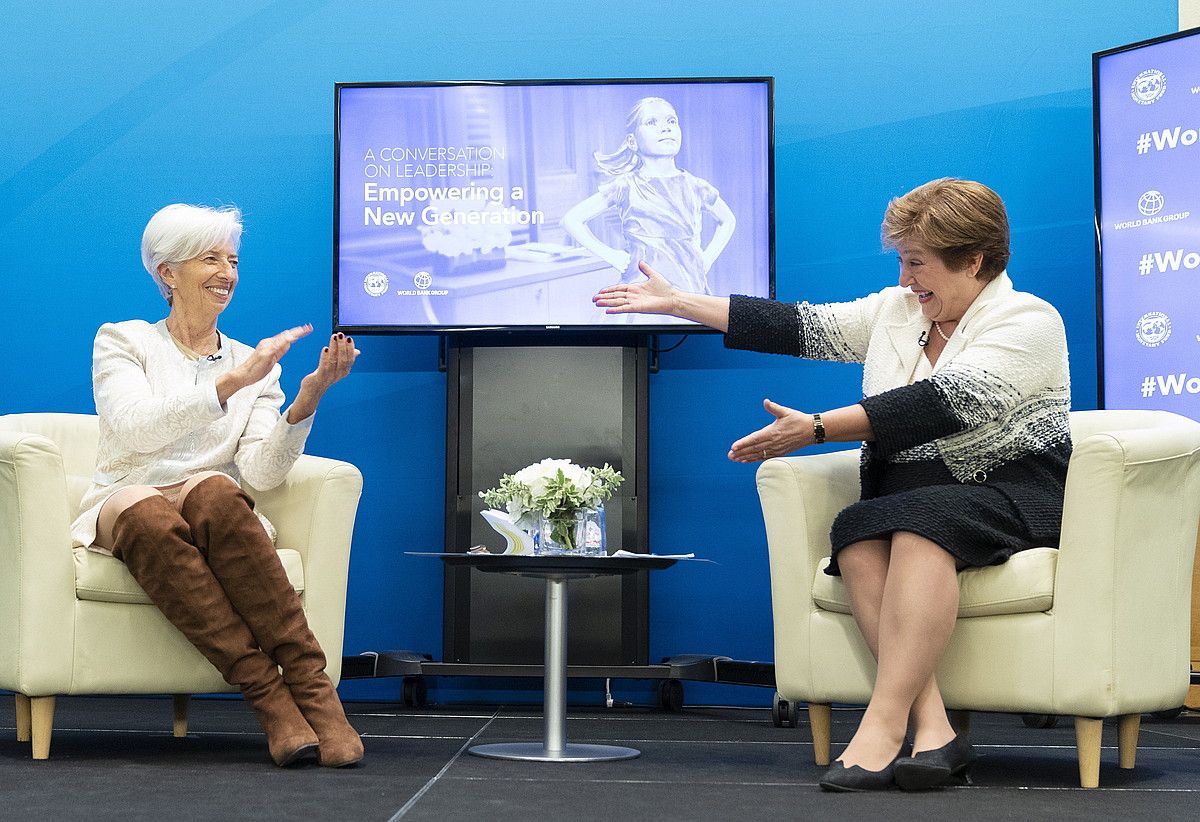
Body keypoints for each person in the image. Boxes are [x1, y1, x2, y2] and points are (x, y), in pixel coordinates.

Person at [594, 178, 1072, 791]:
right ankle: (935, 728)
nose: (905, 278)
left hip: (1006, 489)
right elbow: (797, 326)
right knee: (854, 529)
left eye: (917, 263)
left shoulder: (1028, 320)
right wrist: (680, 303)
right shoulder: (897, 312)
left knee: (923, 528)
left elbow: (941, 403)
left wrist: (817, 428)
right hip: (909, 491)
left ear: (973, 261)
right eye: (901, 260)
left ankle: (881, 722)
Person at [71, 203, 364, 768]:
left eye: (233, 260)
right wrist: (231, 383)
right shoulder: (124, 341)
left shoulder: (256, 365)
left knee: (215, 491)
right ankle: (267, 694)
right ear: (167, 273)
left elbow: (260, 472)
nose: (228, 273)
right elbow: (133, 430)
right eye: (211, 259)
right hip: (127, 496)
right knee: (151, 512)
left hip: (209, 503)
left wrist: (309, 396)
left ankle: (314, 692)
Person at [562, 96, 736, 296]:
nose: (666, 128)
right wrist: (613, 257)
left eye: (671, 121)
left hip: (688, 289)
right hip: (641, 292)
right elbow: (571, 220)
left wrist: (707, 259)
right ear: (632, 141)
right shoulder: (626, 186)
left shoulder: (695, 187)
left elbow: (728, 220)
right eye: (652, 122)